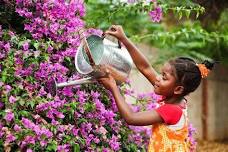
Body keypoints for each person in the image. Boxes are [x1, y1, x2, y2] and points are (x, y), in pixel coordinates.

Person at [98, 25, 215, 151]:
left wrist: (113, 87)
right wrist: (124, 39)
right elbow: (145, 68)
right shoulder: (174, 96)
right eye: (161, 73)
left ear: (178, 89)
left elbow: (131, 118)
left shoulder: (172, 110)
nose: (158, 78)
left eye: (164, 77)